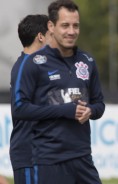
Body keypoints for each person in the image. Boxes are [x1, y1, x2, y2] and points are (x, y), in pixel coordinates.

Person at [11, 0, 105, 183]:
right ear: (51, 27)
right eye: (65, 25)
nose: (71, 31)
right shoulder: (33, 63)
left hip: (82, 157)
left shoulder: (88, 61)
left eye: (75, 25)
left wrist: (91, 111)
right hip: (49, 160)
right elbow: (19, 109)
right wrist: (66, 110)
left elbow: (99, 104)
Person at [10, 14, 50, 184]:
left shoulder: (38, 66)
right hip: (29, 155)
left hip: (45, 155)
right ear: (40, 36)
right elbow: (21, 109)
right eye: (51, 34)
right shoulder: (24, 67)